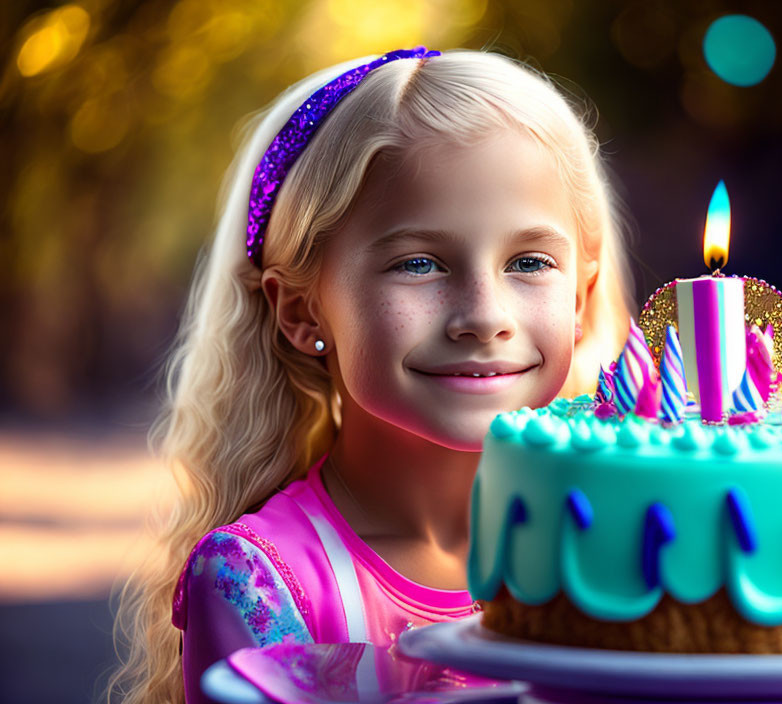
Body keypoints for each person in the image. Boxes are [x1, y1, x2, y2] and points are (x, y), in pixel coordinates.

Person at [107, 47, 634, 704]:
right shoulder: (261, 579)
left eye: (528, 262)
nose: (485, 316)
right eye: (419, 264)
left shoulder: (627, 539)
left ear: (579, 302)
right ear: (301, 310)